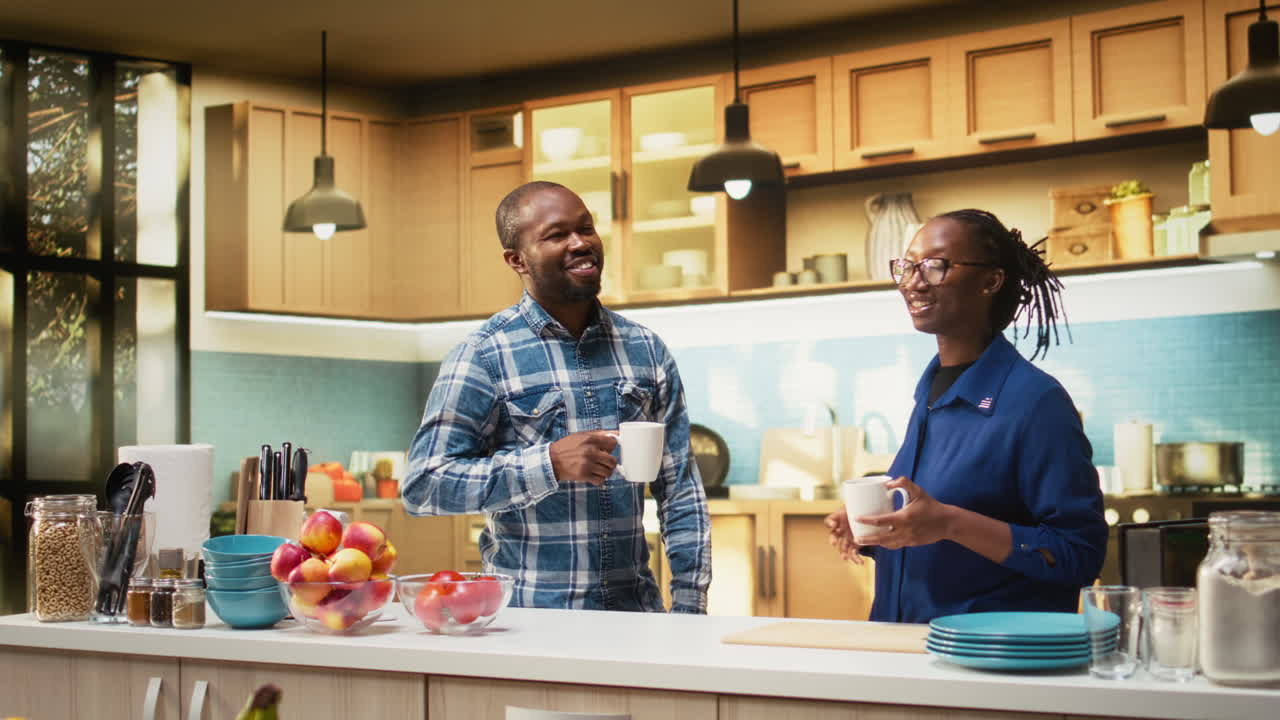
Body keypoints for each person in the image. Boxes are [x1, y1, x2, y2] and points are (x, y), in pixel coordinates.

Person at [402, 180, 711, 614]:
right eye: (556, 235)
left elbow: (680, 491)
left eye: (586, 229)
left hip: (636, 615)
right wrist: (546, 464)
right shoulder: (483, 355)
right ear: (517, 260)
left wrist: (690, 607)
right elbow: (424, 484)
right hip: (531, 618)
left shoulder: (647, 350)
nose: (580, 243)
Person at [826, 208, 1107, 623]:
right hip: (905, 651)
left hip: (987, 661)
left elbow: (1078, 555)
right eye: (907, 267)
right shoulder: (930, 394)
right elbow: (939, 528)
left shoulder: (1036, 402)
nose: (914, 282)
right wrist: (880, 530)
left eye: (936, 266)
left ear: (991, 281)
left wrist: (950, 523)